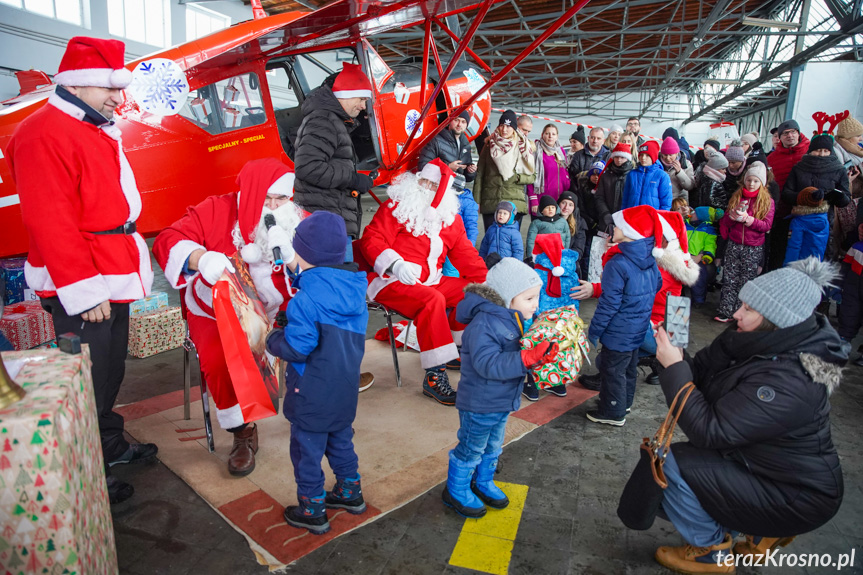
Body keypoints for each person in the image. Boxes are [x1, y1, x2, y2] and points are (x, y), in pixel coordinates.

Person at [6, 36, 156, 504]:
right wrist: (85, 292)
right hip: (86, 279)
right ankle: (87, 471)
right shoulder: (42, 132)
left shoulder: (90, 126)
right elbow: (50, 220)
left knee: (109, 372)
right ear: (81, 84)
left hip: (111, 269)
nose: (118, 97)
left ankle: (108, 444)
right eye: (110, 87)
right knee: (88, 380)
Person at [652, 257, 846, 574]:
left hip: (798, 495)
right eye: (741, 303)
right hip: (766, 469)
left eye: (749, 309)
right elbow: (700, 375)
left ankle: (711, 554)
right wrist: (676, 354)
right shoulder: (752, 339)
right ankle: (758, 532)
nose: (736, 314)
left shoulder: (792, 379)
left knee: (670, 463)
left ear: (777, 321)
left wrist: (674, 369)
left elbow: (710, 431)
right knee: (685, 465)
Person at [154, 159, 309, 476]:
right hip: (214, 308)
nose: (276, 206)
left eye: (282, 198)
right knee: (219, 354)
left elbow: (320, 265)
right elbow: (167, 239)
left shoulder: (296, 217)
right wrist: (200, 258)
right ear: (252, 193)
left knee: (323, 330)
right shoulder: (216, 209)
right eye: (268, 199)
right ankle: (242, 431)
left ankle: (316, 410)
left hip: (279, 307)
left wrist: (294, 259)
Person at [265, 211, 370, 535]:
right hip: (344, 388)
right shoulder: (355, 291)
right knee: (340, 439)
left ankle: (312, 508)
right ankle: (350, 492)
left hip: (310, 391)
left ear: (304, 255)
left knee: (306, 450)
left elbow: (298, 348)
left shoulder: (305, 300)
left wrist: (272, 340)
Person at [359, 160, 487, 405]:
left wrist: (489, 284)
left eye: (432, 185)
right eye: (423, 181)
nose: (425, 187)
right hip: (391, 280)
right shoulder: (396, 207)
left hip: (431, 280)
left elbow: (466, 257)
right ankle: (434, 376)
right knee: (433, 300)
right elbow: (371, 239)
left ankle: (453, 349)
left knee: (471, 292)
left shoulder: (450, 219)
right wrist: (395, 264)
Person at [442, 257, 556, 517]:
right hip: (480, 404)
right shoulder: (484, 324)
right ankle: (455, 490)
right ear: (508, 298)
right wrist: (526, 358)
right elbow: (488, 364)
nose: (536, 304)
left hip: (502, 401)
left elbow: (514, 357)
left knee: (493, 446)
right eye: (529, 298)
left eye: (536, 297)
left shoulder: (509, 318)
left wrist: (539, 357)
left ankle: (482, 481)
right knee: (471, 447)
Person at [585, 205, 663, 426]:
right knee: (628, 369)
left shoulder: (617, 263)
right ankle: (624, 403)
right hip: (638, 326)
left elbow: (609, 303)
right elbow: (657, 284)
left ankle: (613, 411)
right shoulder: (649, 258)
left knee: (612, 371)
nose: (613, 228)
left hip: (618, 331)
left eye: (618, 225)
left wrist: (595, 329)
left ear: (630, 232)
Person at [293, 63, 375, 261]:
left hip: (329, 220)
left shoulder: (331, 120)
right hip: (326, 226)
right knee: (335, 281)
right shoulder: (324, 121)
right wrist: (353, 179)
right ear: (346, 93)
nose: (364, 106)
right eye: (361, 99)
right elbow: (308, 167)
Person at [715, 162, 775, 322]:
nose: (752, 184)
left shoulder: (767, 201)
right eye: (749, 180)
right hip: (734, 244)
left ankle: (741, 313)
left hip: (753, 247)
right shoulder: (737, 197)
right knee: (729, 279)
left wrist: (749, 220)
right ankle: (725, 310)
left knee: (746, 281)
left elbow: (767, 225)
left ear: (762, 182)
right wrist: (732, 217)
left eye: (756, 181)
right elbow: (726, 221)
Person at [473, 110, 536, 233]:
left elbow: (533, 175)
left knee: (511, 242)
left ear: (514, 128)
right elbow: (480, 174)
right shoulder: (489, 145)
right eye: (502, 125)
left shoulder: (523, 146)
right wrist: (476, 201)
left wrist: (519, 178)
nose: (505, 129)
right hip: (491, 201)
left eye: (508, 126)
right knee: (491, 240)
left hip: (515, 202)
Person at [675, 199, 723, 306]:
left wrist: (706, 256)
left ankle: (698, 300)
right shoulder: (685, 225)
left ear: (701, 217)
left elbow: (710, 245)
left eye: (695, 213)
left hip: (698, 257)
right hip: (682, 255)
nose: (692, 213)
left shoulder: (708, 230)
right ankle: (678, 296)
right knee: (676, 274)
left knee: (699, 277)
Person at [418, 110, 477, 183]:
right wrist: (448, 167)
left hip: (455, 190)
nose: (459, 124)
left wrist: (470, 172)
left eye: (463, 122)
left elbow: (467, 178)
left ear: (466, 125)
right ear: (450, 121)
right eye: (456, 120)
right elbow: (423, 167)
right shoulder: (435, 140)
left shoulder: (466, 144)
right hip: (437, 189)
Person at [527, 124, 571, 216]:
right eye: (547, 133)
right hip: (542, 200)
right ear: (542, 134)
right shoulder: (536, 151)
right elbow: (530, 176)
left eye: (553, 134)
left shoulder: (560, 151)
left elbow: (564, 173)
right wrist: (533, 199)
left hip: (559, 200)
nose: (550, 136)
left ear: (557, 136)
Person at [442, 174, 480, 278]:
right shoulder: (448, 199)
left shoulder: (468, 203)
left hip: (458, 243)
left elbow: (472, 227)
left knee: (451, 269)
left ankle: (451, 291)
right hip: (446, 241)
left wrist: (469, 246)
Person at [595, 143, 635, 233]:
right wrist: (605, 213)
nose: (619, 160)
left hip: (626, 220)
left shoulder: (632, 176)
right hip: (605, 220)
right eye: (616, 157)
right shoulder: (606, 176)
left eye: (622, 157)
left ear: (627, 158)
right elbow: (599, 197)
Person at [621, 141, 672, 210]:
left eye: (647, 155)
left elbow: (666, 203)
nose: (643, 158)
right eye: (641, 155)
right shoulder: (632, 174)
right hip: (632, 216)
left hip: (651, 218)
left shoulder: (662, 176)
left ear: (653, 157)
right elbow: (625, 199)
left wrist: (660, 218)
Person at [785, 187, 830, 266]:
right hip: (816, 263)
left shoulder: (798, 222)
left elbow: (794, 247)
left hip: (799, 265)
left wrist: (787, 268)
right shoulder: (824, 219)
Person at [839, 241, 863, 365]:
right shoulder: (857, 247)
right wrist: (839, 284)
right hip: (853, 286)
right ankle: (842, 344)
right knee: (849, 313)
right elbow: (846, 266)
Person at [659, 137, 695, 202]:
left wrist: (680, 172)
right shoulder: (656, 164)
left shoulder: (686, 164)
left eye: (670, 155)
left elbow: (689, 186)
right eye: (665, 155)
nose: (668, 158)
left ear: (676, 153)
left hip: (679, 202)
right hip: (661, 200)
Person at [558, 190, 587, 261]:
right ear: (558, 204)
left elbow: (578, 249)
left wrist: (566, 260)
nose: (566, 207)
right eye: (563, 203)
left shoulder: (580, 223)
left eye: (570, 205)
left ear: (574, 208)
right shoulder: (550, 219)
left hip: (568, 261)